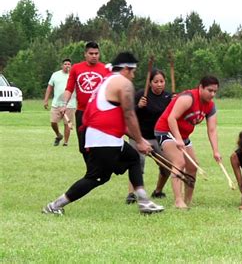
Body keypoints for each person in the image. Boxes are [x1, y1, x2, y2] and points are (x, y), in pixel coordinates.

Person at [42, 52, 164, 215]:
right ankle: (54, 206)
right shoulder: (123, 83)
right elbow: (129, 115)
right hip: (103, 138)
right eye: (133, 71)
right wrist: (141, 141)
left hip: (105, 137)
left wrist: (138, 139)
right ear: (127, 69)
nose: (134, 76)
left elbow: (118, 120)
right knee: (96, 177)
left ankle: (144, 201)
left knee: (133, 158)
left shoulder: (107, 80)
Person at [154, 75, 221, 209]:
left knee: (192, 166)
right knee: (179, 162)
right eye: (209, 90)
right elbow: (172, 118)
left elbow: (212, 130)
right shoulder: (188, 98)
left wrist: (216, 151)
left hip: (183, 136)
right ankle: (178, 201)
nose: (212, 94)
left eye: (215, 91)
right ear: (200, 87)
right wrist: (178, 139)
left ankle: (187, 200)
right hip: (166, 132)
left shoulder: (210, 106)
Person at [125, 69, 172, 204]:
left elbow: (174, 115)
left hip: (159, 137)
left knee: (167, 165)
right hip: (138, 136)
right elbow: (128, 112)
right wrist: (139, 106)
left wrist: (174, 103)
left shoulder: (168, 97)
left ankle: (158, 191)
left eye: (161, 81)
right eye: (156, 81)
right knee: (137, 164)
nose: (159, 84)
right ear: (150, 83)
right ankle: (132, 194)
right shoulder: (141, 95)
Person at [61, 41, 110, 161]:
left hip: (99, 113)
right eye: (91, 53)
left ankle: (97, 168)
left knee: (99, 145)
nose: (94, 56)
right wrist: (64, 104)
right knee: (83, 145)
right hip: (82, 112)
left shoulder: (105, 69)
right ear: (85, 54)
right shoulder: (76, 68)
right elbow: (69, 88)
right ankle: (90, 169)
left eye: (96, 53)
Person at [43, 58, 75, 146]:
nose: (67, 66)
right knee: (53, 122)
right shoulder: (55, 75)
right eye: (65, 64)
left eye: (69, 64)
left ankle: (66, 142)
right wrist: (46, 100)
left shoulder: (73, 75)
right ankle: (58, 135)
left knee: (67, 124)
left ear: (71, 66)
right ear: (62, 65)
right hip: (56, 103)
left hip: (70, 104)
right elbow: (49, 87)